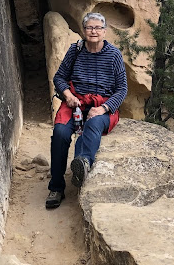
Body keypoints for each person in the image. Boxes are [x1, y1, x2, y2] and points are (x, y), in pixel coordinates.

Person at [46, 12, 128, 208]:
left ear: (105, 31)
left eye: (98, 28)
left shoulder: (114, 55)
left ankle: (82, 162)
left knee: (93, 124)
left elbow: (122, 89)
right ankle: (56, 187)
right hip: (76, 102)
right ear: (84, 31)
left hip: (102, 105)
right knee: (60, 133)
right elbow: (59, 77)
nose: (94, 31)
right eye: (90, 27)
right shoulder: (75, 50)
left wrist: (103, 108)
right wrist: (68, 96)